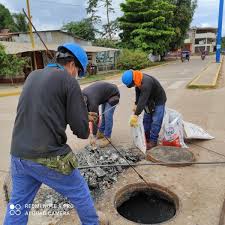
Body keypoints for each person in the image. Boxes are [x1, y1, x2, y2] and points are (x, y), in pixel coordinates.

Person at [4, 43, 100, 225]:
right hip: (47, 156)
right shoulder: (68, 81)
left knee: (18, 205)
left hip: (19, 155)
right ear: (72, 64)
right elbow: (80, 131)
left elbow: (47, 109)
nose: (76, 76)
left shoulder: (33, 75)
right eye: (78, 71)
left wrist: (78, 113)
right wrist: (85, 119)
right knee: (80, 192)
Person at [121, 70, 167, 151]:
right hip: (149, 100)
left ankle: (153, 141)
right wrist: (136, 103)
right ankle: (146, 137)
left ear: (133, 80)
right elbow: (138, 93)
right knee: (146, 120)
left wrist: (136, 115)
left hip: (158, 100)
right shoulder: (138, 79)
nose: (132, 86)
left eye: (131, 85)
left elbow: (143, 100)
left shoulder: (146, 83)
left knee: (156, 121)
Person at [82, 81, 120, 148]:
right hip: (105, 95)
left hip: (113, 94)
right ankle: (101, 132)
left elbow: (95, 119)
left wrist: (93, 136)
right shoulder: (80, 96)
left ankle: (108, 138)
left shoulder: (92, 102)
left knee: (107, 115)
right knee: (103, 114)